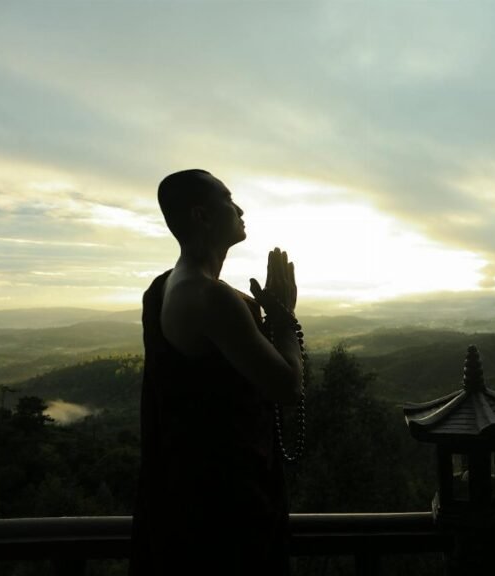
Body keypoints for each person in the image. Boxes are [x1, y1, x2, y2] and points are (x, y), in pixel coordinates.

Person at [130, 169, 303, 575]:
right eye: (228, 200)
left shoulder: (164, 287)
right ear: (202, 216)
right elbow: (287, 387)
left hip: (182, 499)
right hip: (223, 511)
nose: (240, 208)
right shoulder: (210, 297)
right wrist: (284, 319)